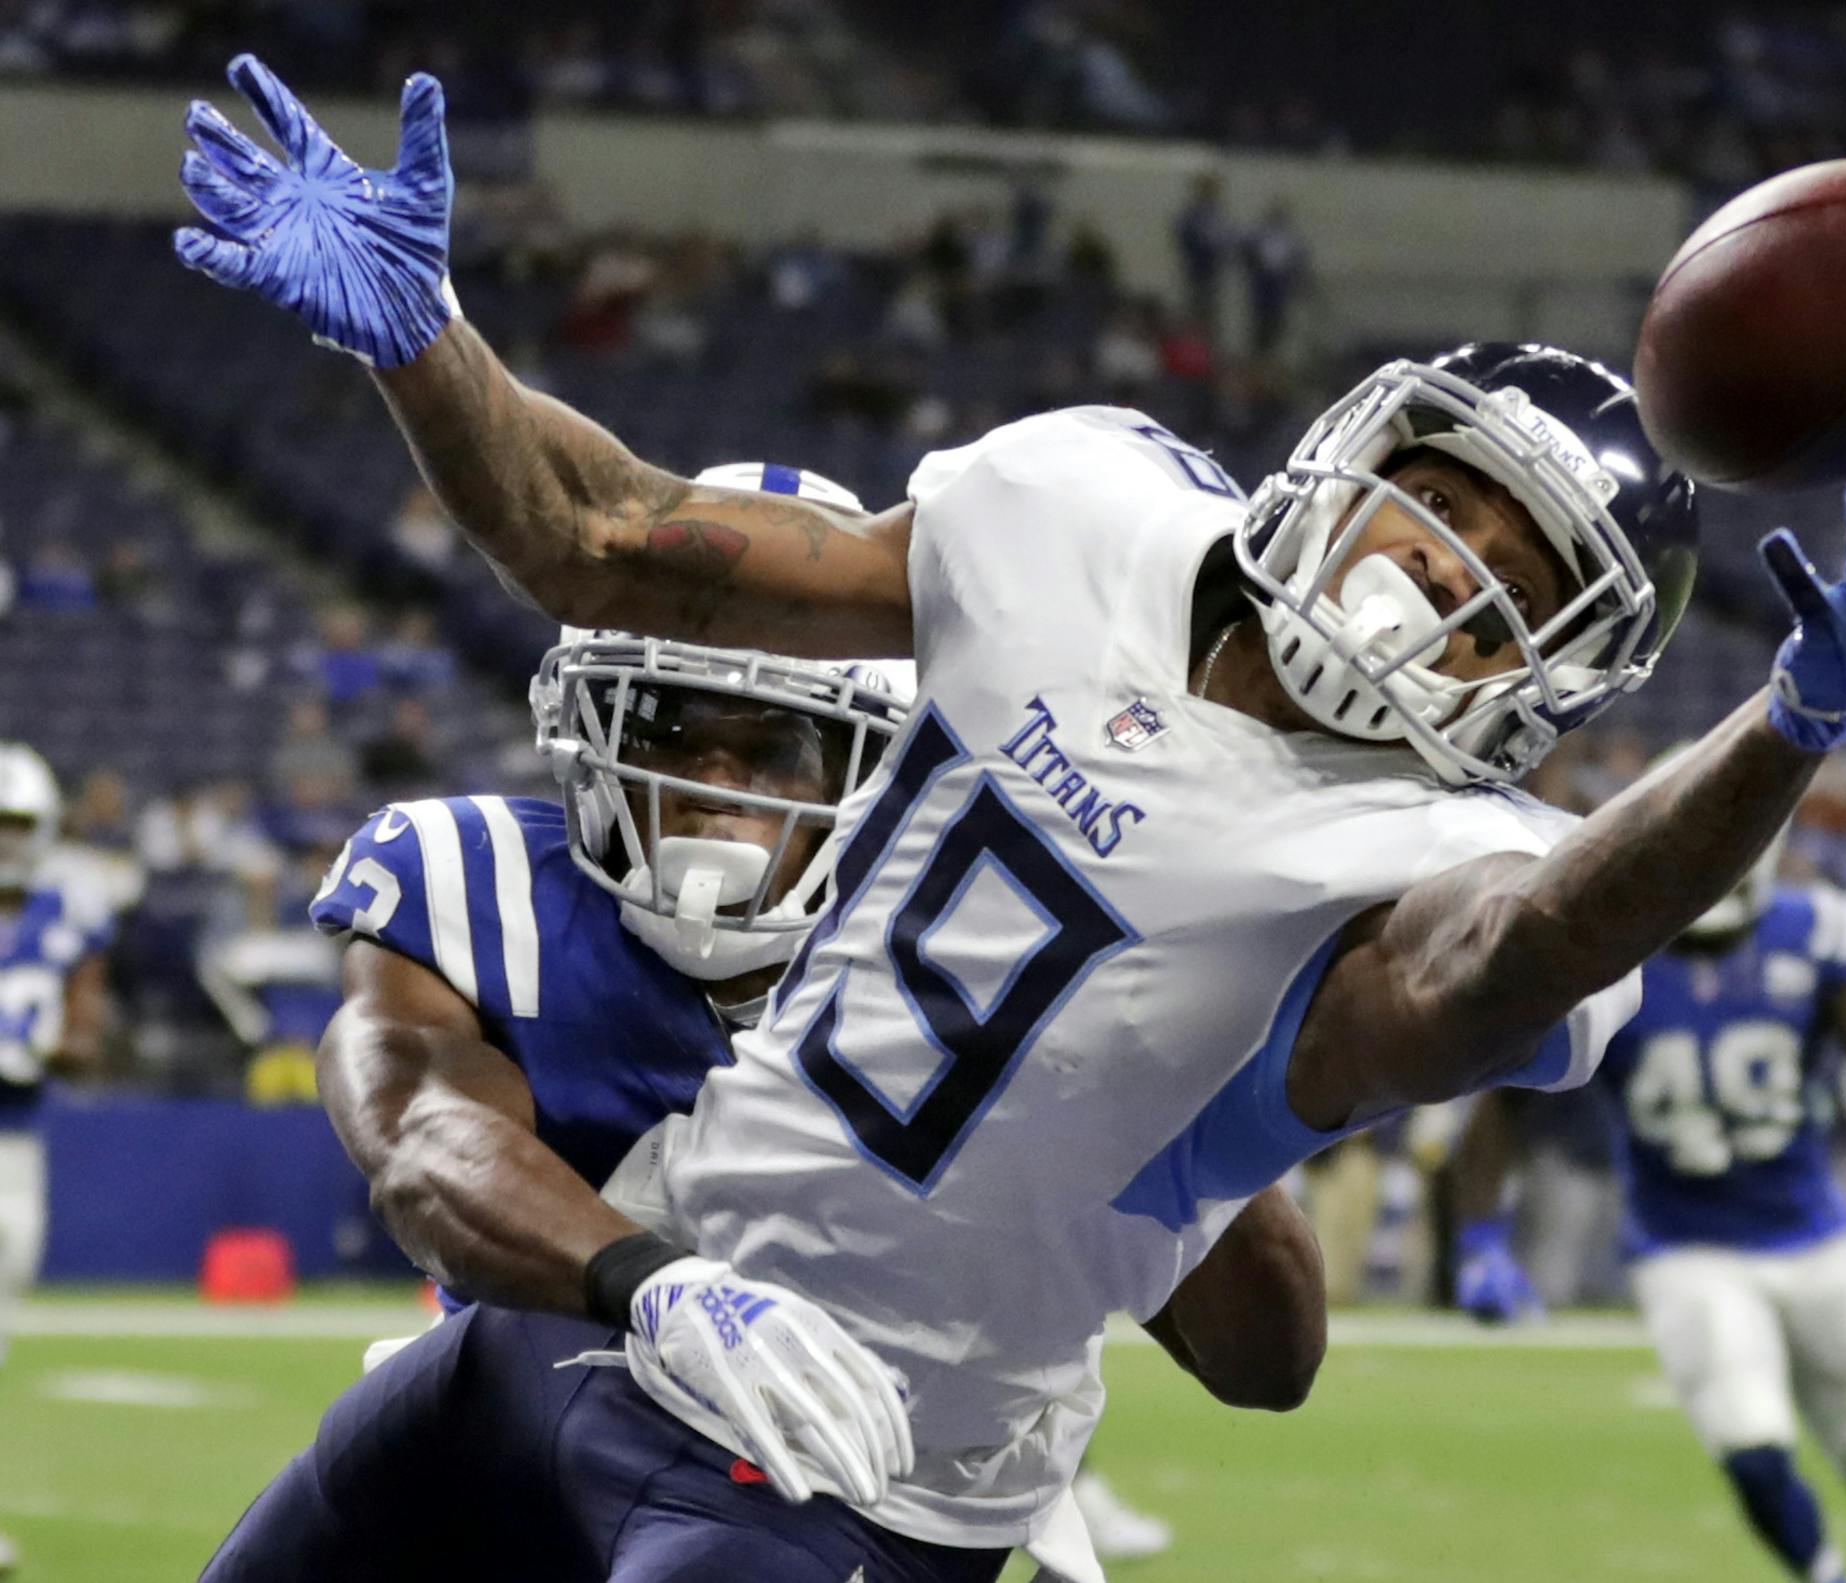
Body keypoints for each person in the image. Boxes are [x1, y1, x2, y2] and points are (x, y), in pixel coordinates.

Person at [173, 55, 1846, 1579]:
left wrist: (1787, 727)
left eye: (1519, 583)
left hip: (850, 1464)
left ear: (1561, 682)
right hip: (603, 1307)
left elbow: (1518, 953)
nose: (1441, 579)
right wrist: (424, 340)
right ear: (1350, 453)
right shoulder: (1085, 510)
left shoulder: (1433, 859)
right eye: (1441, 507)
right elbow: (608, 545)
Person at [206, 464, 1318, 1583]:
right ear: (587, 718)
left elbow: (1266, 1357)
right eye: (670, 728)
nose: (714, 783)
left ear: (880, 771)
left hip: (833, 1492)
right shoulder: (473, 878)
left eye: (778, 744)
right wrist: (654, 1280)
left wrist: (1179, 1072)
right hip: (515, 1430)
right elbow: (419, 1140)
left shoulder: (985, 956)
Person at [1455, 816, 1846, 1583]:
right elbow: (1502, 1107)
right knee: (1751, 1445)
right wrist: (1480, 1238)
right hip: (1684, 1247)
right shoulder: (1612, 959)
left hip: (1814, 1236)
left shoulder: (1809, 931)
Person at [0, 744, 113, 1579]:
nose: (6, 840)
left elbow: (85, 1039)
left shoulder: (68, 915)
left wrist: (46, 1048)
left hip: (15, 1147)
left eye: (18, 824)